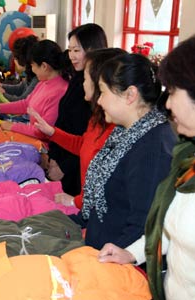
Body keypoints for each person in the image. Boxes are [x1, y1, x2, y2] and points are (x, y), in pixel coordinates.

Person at [97, 36, 195, 300]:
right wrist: (132, 253)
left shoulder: (156, 146)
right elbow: (167, 226)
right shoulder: (188, 157)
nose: (168, 104)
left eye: (174, 92)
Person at [69, 53, 176, 251]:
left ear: (130, 95)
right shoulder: (126, 132)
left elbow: (141, 227)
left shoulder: (152, 148)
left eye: (102, 92)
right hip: (99, 246)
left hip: (116, 262)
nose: (99, 101)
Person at [29, 47, 126, 208]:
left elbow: (111, 194)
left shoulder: (117, 128)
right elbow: (85, 145)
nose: (83, 83)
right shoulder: (98, 117)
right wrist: (52, 132)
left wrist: (76, 201)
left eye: (86, 79)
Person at [47, 23, 108, 196]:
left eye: (77, 50)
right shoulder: (77, 79)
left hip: (74, 169)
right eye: (70, 50)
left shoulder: (95, 90)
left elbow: (86, 139)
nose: (72, 56)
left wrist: (64, 166)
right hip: (62, 157)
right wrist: (53, 156)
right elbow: (65, 122)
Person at [0, 39, 70, 140]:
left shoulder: (60, 92)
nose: (32, 69)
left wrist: (12, 126)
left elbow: (43, 132)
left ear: (44, 66)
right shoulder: (43, 83)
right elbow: (26, 104)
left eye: (32, 65)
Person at [0, 35, 39, 102]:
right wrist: (0, 86)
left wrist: (2, 93)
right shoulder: (31, 75)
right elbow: (20, 88)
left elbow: (22, 101)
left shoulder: (37, 79)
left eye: (15, 58)